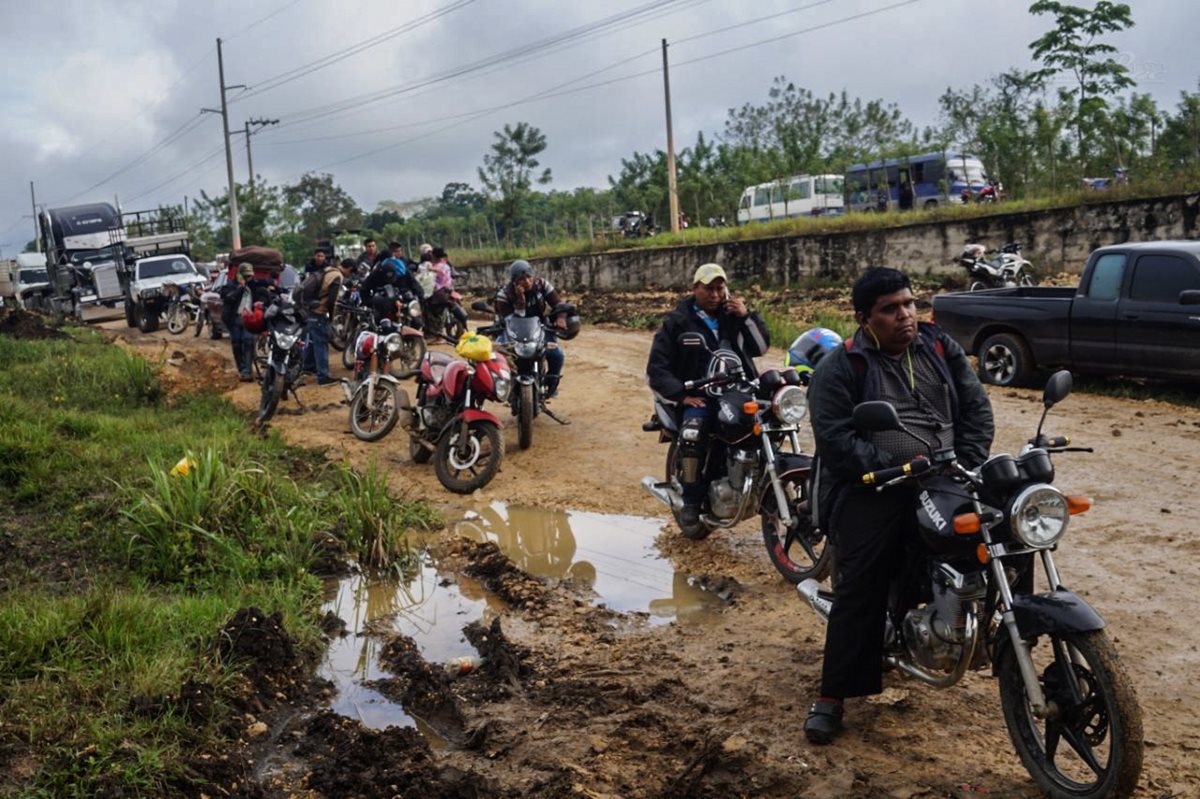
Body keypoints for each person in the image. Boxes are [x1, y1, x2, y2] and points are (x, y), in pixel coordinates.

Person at [802, 266, 994, 745]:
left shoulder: (939, 346)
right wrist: (895, 467)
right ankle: (833, 694)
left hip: (945, 476)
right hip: (875, 485)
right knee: (861, 582)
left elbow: (976, 408)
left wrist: (966, 462)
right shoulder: (841, 367)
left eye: (909, 303)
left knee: (999, 535)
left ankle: (999, 637)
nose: (905, 315)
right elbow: (836, 440)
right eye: (890, 309)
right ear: (864, 318)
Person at [644, 263, 770, 537]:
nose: (715, 294)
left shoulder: (733, 317)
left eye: (719, 288)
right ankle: (691, 500)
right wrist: (682, 396)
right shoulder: (678, 322)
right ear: (695, 288)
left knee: (771, 420)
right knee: (694, 431)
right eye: (709, 289)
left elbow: (761, 347)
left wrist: (746, 316)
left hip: (737, 391)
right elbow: (656, 368)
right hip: (699, 395)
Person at [494, 259, 569, 397]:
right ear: (514, 281)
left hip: (539, 329)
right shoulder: (504, 294)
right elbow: (510, 320)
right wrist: (520, 302)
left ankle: (551, 384)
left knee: (556, 354)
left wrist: (561, 318)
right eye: (522, 279)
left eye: (529, 277)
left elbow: (558, 303)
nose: (527, 282)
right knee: (497, 355)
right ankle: (504, 386)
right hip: (512, 332)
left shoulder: (542, 285)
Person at [298, 250, 343, 385]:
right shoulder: (336, 276)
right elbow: (332, 300)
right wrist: (331, 315)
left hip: (310, 308)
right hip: (319, 311)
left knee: (312, 340)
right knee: (321, 343)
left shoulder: (326, 271)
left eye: (322, 255)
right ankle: (323, 376)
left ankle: (308, 367)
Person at [218, 263, 257, 382]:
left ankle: (247, 371)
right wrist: (240, 288)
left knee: (248, 341)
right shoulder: (230, 286)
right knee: (237, 344)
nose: (248, 278)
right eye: (245, 276)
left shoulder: (253, 286)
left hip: (248, 319)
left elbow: (264, 286)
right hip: (234, 319)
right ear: (239, 275)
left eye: (249, 276)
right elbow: (228, 298)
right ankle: (241, 368)